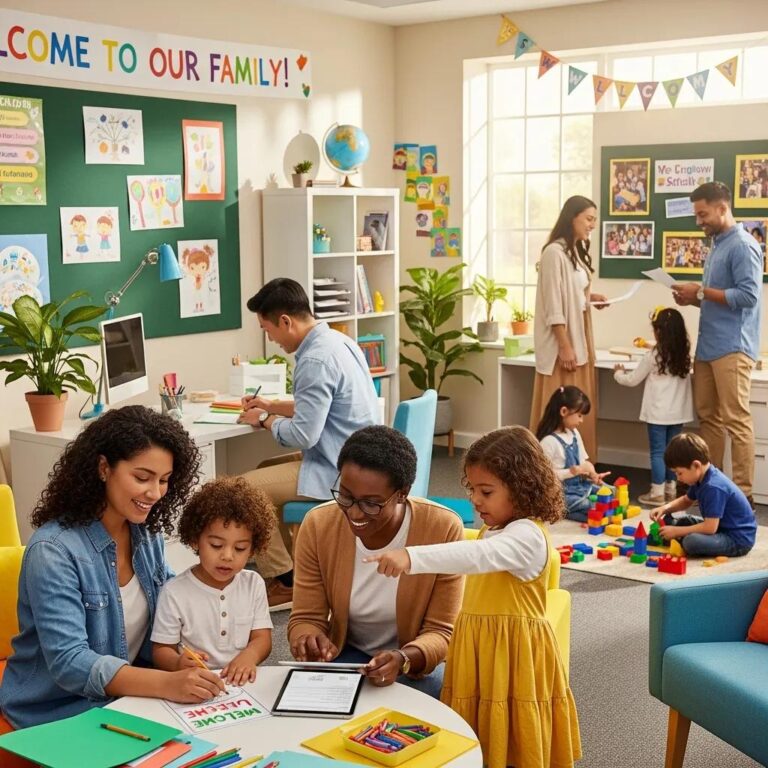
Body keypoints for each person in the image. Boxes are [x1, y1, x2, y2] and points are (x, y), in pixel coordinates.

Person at [365, 427, 581, 768]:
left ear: (522, 488)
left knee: (513, 727)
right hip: (485, 646)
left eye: (487, 491)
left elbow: (477, 555)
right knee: (482, 725)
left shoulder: (526, 536)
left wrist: (411, 557)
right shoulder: (497, 527)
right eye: (473, 490)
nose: (476, 500)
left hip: (513, 651)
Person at [0, 406, 226, 729]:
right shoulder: (53, 551)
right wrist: (167, 684)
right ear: (104, 468)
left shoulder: (145, 533)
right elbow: (70, 662)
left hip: (124, 700)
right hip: (56, 710)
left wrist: (181, 658)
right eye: (142, 477)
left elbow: (170, 606)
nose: (155, 493)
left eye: (164, 480)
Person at [287, 426, 464, 699]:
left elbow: (441, 632)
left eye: (371, 503)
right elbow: (306, 616)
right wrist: (308, 639)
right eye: (345, 496)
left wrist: (404, 658)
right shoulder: (319, 524)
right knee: (305, 702)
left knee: (424, 705)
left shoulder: (441, 528)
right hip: (350, 654)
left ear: (402, 494)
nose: (354, 512)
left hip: (416, 661)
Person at [238, 278, 380, 608]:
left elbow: (304, 434)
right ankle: (295, 573)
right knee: (263, 471)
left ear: (285, 321)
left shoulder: (314, 360)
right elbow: (319, 408)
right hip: (357, 458)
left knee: (243, 491)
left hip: (338, 470)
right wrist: (271, 406)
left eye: (267, 329)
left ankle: (283, 581)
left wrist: (263, 421)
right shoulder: (338, 342)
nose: (270, 339)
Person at [672, 182, 762, 503]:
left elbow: (749, 296)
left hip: (732, 348)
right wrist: (692, 298)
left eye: (703, 214)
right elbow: (717, 298)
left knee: (736, 421)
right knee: (708, 419)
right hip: (708, 345)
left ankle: (743, 495)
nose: (699, 221)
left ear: (723, 208)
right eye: (697, 215)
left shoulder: (742, 245)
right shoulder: (716, 246)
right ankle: (711, 488)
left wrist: (699, 291)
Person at [151, 477, 274, 685]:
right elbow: (161, 650)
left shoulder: (253, 584)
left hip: (242, 683)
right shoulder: (174, 592)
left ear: (253, 549)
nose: (227, 556)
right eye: (216, 545)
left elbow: (262, 639)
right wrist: (177, 663)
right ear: (194, 540)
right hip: (194, 683)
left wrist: (249, 656)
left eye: (240, 548)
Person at [531, 195, 608, 460]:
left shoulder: (573, 251)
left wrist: (590, 299)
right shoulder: (554, 253)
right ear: (571, 217)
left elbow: (570, 294)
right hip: (563, 343)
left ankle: (581, 465)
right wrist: (564, 346)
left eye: (594, 220)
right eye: (588, 219)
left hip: (579, 339)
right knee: (561, 407)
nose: (592, 225)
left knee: (580, 408)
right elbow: (553, 304)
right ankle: (550, 468)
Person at [614, 307, 693, 506]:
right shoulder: (684, 354)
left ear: (659, 332)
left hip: (658, 413)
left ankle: (656, 493)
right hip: (678, 413)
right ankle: (670, 489)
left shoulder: (654, 356)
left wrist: (618, 374)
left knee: (658, 452)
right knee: (674, 452)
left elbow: (632, 380)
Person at [650, 433, 756, 558]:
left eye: (680, 473)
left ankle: (679, 538)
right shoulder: (701, 477)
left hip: (737, 540)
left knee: (691, 541)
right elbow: (686, 500)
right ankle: (676, 536)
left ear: (696, 465)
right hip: (719, 527)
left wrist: (676, 531)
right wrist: (665, 508)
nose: (678, 478)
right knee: (684, 521)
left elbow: (710, 528)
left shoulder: (713, 487)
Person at [535, 385, 609, 522]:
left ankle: (574, 512)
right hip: (560, 493)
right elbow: (543, 476)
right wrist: (569, 472)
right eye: (579, 415)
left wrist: (593, 474)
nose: (581, 420)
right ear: (564, 411)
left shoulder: (574, 434)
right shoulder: (548, 441)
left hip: (579, 488)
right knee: (591, 506)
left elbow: (583, 463)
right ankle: (562, 510)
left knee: (610, 493)